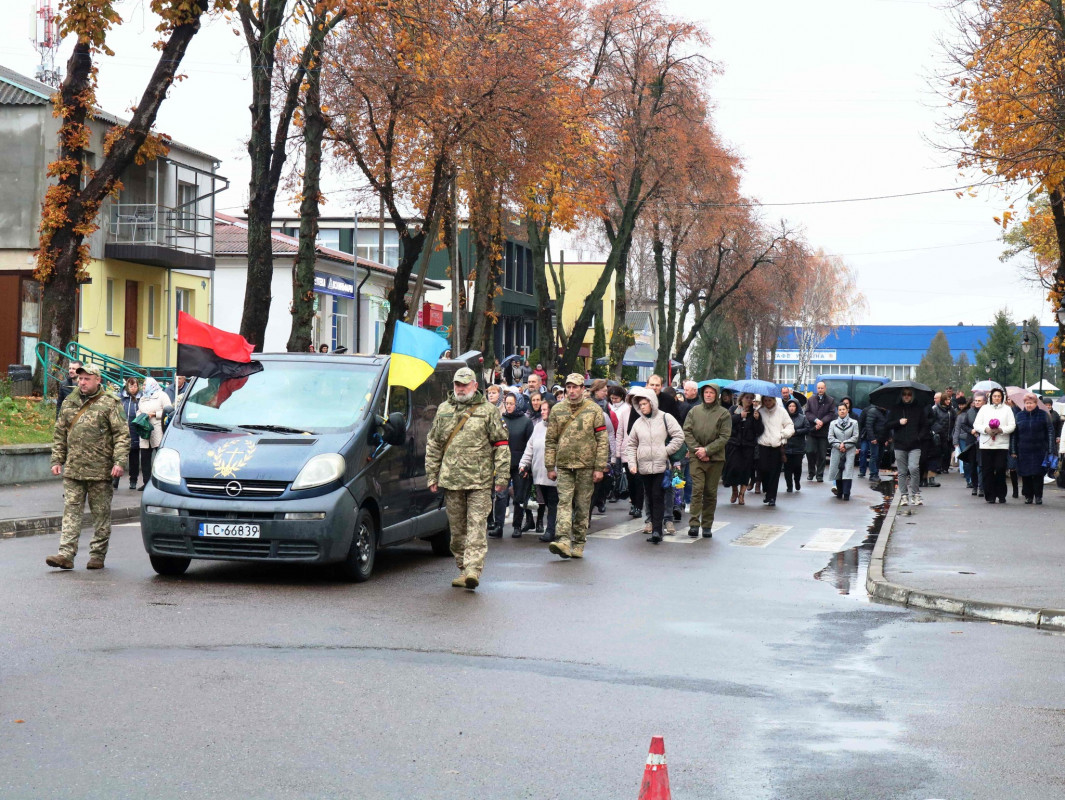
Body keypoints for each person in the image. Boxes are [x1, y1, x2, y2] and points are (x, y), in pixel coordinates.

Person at [425, 367, 510, 589]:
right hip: (451, 480)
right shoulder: (443, 410)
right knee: (457, 530)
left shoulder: (488, 411)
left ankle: (473, 569)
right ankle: (463, 567)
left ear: (474, 385)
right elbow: (434, 444)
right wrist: (431, 476)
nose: (461, 389)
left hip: (479, 481)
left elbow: (501, 445)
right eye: (457, 385)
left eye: (465, 384)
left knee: (476, 526)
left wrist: (501, 476)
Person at [46, 364, 130, 570]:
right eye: (80, 378)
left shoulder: (110, 403)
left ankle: (97, 555)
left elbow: (121, 435)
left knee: (100, 515)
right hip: (74, 469)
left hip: (100, 471)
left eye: (87, 379)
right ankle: (65, 554)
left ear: (98, 380)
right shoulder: (70, 401)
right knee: (71, 512)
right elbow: (60, 433)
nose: (82, 382)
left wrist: (119, 462)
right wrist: (57, 460)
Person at [544, 373, 609, 559]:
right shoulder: (557, 410)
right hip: (564, 465)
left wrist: (599, 466)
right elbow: (551, 440)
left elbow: (602, 440)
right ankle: (563, 540)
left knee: (582, 504)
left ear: (582, 389)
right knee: (564, 502)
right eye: (568, 387)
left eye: (575, 387)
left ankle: (579, 541)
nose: (571, 391)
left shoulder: (594, 410)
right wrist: (550, 466)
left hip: (586, 465)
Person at [625, 387, 684, 544]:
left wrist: (665, 450)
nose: (642, 406)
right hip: (644, 466)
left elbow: (679, 436)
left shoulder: (665, 417)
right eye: (640, 404)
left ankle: (658, 530)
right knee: (649, 497)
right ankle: (653, 526)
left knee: (658, 496)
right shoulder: (638, 423)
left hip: (660, 465)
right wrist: (632, 463)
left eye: (645, 403)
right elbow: (631, 445)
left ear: (652, 403)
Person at [683, 381, 731, 537]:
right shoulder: (694, 411)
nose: (708, 395)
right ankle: (694, 523)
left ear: (716, 395)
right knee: (697, 490)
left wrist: (708, 451)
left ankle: (707, 524)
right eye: (706, 392)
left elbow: (724, 436)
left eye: (711, 392)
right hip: (696, 457)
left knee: (710, 492)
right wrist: (698, 451)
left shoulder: (724, 413)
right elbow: (687, 431)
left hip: (715, 458)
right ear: (702, 394)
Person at [491, 391, 535, 538]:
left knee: (518, 496)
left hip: (519, 465)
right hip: (503, 464)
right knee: (501, 495)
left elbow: (531, 445)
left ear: (518, 404)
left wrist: (527, 466)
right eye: (507, 403)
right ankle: (498, 525)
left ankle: (517, 526)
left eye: (511, 403)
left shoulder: (526, 421)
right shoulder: (500, 419)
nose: (508, 406)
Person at [520, 397, 558, 542]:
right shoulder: (538, 427)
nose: (542, 412)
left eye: (545, 409)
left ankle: (551, 530)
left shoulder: (559, 427)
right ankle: (555, 527)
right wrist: (523, 464)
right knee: (547, 502)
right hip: (539, 473)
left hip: (554, 474)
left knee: (553, 502)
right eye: (541, 410)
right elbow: (530, 447)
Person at [972, 387, 1016, 504]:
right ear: (991, 397)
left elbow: (1012, 425)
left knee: (1000, 468)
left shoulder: (1007, 409)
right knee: (987, 470)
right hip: (986, 444)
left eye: (999, 396)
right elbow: (976, 424)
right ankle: (990, 495)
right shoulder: (984, 409)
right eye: (995, 396)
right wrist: (986, 429)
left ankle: (1001, 494)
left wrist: (1001, 430)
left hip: (1001, 444)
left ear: (1002, 397)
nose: (997, 398)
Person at [886, 387, 928, 507]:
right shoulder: (895, 408)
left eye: (909, 394)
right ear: (901, 395)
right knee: (902, 472)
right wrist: (898, 422)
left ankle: (915, 494)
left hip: (915, 444)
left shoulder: (918, 408)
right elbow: (887, 425)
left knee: (914, 468)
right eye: (904, 394)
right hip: (900, 444)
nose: (906, 396)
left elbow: (925, 425)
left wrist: (919, 437)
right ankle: (904, 495)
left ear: (912, 396)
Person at [723, 393, 763, 506]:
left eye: (751, 398)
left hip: (748, 445)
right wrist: (740, 416)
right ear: (742, 399)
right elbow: (727, 423)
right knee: (733, 469)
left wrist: (757, 420)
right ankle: (734, 490)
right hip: (734, 444)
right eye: (747, 398)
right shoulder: (734, 409)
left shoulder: (755, 412)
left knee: (745, 470)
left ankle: (742, 494)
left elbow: (759, 431)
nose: (749, 400)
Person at [754, 395, 794, 507]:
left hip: (777, 446)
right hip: (763, 445)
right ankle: (767, 491)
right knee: (764, 469)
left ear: (774, 400)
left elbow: (790, 426)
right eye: (765, 400)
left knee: (774, 472)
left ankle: (772, 497)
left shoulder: (782, 411)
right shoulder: (759, 411)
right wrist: (756, 419)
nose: (767, 403)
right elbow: (756, 429)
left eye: (769, 400)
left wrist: (781, 435)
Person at [1014, 393, 1053, 504]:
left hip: (1039, 449)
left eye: (1031, 403)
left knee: (1038, 474)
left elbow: (1050, 432)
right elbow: (1015, 435)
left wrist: (1050, 449)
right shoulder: (1019, 416)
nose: (1029, 405)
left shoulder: (1044, 415)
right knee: (1025, 474)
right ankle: (1028, 496)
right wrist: (1013, 450)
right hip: (1023, 449)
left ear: (1036, 403)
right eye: (1027, 403)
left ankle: (1038, 496)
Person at [136, 378, 174, 491]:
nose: (143, 387)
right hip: (144, 429)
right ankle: (146, 482)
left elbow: (169, 410)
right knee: (145, 458)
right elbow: (139, 410)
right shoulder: (143, 397)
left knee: (159, 458)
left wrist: (154, 414)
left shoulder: (162, 395)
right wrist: (141, 415)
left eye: (144, 384)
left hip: (157, 429)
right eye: (142, 385)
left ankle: (161, 483)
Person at [804, 381, 835, 482]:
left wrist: (822, 421)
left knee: (822, 454)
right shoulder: (811, 399)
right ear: (816, 389)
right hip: (812, 430)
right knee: (810, 452)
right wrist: (816, 420)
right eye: (818, 388)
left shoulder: (830, 400)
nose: (820, 390)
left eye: (822, 388)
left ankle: (820, 474)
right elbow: (807, 412)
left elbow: (831, 414)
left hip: (824, 431)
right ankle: (811, 472)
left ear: (825, 388)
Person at [828, 402, 859, 500]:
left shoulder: (854, 423)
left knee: (847, 472)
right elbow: (830, 437)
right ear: (838, 411)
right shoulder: (833, 423)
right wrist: (839, 445)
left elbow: (855, 436)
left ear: (847, 410)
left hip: (849, 451)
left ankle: (846, 493)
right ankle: (839, 492)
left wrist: (845, 444)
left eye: (843, 409)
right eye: (840, 409)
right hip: (837, 450)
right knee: (838, 471)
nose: (842, 411)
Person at [957, 392, 985, 495]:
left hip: (983, 441)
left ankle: (982, 487)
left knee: (982, 464)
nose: (977, 403)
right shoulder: (970, 412)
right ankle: (974, 485)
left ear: (984, 402)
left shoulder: (987, 412)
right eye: (976, 401)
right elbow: (963, 425)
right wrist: (971, 430)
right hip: (972, 441)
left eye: (979, 401)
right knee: (973, 464)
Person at [119, 376, 142, 490]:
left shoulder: (141, 399)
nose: (133, 388)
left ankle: (133, 480)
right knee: (119, 456)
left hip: (135, 431)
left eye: (135, 386)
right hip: (122, 432)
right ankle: (115, 479)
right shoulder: (121, 398)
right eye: (131, 386)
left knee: (134, 458)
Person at [783, 398, 810, 492]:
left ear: (797, 407)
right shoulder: (784, 418)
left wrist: (796, 432)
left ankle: (797, 481)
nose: (791, 408)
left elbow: (807, 428)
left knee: (797, 466)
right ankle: (789, 486)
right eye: (789, 406)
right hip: (787, 447)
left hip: (798, 447)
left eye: (793, 406)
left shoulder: (802, 417)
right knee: (787, 468)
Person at [859, 401, 888, 481]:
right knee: (873, 456)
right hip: (874, 439)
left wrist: (887, 438)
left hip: (882, 439)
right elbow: (869, 426)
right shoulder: (873, 411)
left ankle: (876, 473)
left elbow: (887, 426)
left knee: (879, 456)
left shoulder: (885, 413)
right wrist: (872, 438)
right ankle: (872, 474)